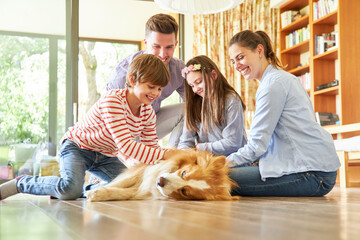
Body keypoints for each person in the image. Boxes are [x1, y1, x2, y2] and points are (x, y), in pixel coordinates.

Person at [0, 54, 177, 201]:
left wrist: (165, 164)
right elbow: (126, 146)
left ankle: (74, 189)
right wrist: (167, 154)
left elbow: (152, 148)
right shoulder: (113, 100)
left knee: (133, 186)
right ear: (132, 79)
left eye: (160, 89)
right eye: (151, 86)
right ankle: (21, 183)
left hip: (105, 156)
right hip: (77, 147)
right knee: (70, 189)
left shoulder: (147, 113)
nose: (155, 93)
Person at [227, 30, 340, 197]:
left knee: (217, 176)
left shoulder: (273, 85)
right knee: (224, 172)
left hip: (312, 175)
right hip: (315, 170)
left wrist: (218, 163)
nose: (236, 65)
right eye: (233, 61)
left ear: (259, 51)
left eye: (240, 57)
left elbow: (256, 145)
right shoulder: (278, 79)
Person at [107, 13, 185, 147]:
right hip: (121, 134)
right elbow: (108, 116)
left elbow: (197, 104)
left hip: (150, 125)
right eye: (156, 46)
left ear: (176, 44)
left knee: (189, 109)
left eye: (169, 47)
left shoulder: (179, 69)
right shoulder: (123, 73)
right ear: (146, 43)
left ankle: (175, 157)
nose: (162, 54)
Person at [178, 55, 247, 156]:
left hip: (233, 160)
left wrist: (199, 148)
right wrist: (182, 157)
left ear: (213, 75)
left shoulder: (231, 100)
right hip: (208, 160)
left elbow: (232, 143)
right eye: (192, 86)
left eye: (199, 82)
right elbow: (185, 141)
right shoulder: (195, 105)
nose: (196, 89)